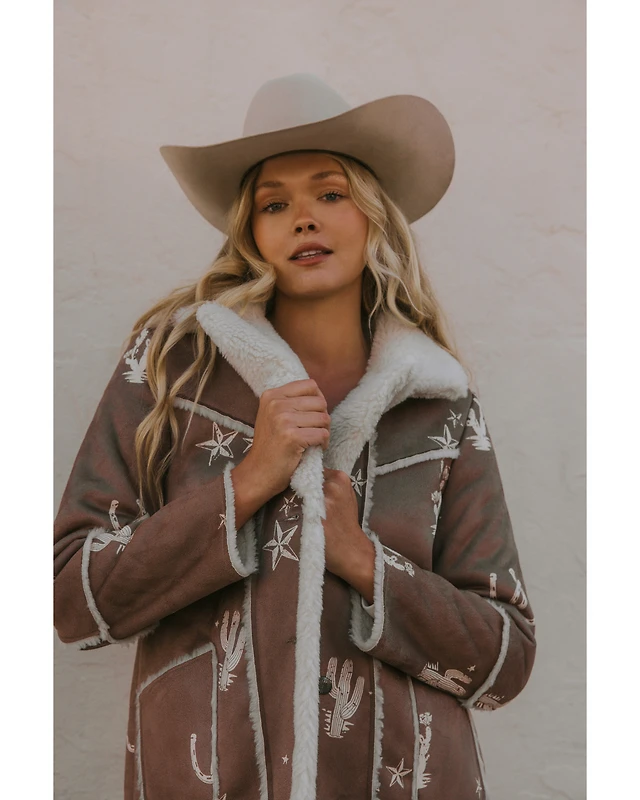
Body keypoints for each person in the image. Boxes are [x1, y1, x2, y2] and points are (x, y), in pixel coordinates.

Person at [54, 73, 536, 800]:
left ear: (374, 215)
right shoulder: (173, 369)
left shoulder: (441, 404)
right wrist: (249, 482)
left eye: (330, 194)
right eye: (274, 204)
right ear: (251, 233)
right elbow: (73, 599)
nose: (303, 219)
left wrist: (365, 561)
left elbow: (505, 662)